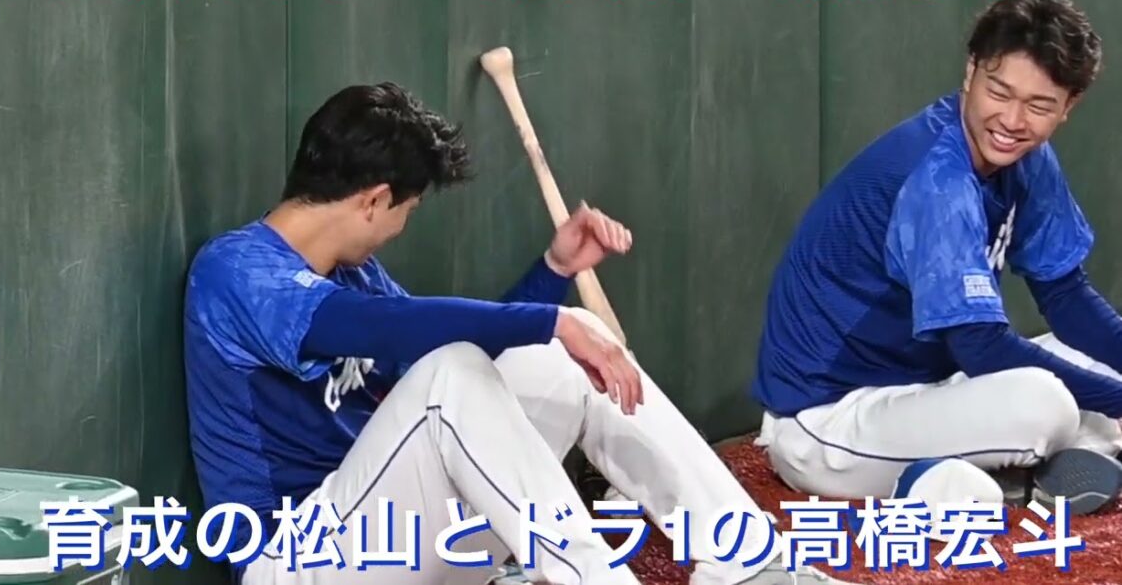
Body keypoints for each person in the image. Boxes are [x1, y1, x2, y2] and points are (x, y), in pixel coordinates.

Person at [184, 82, 851, 585]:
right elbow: (383, 334)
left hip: (389, 537)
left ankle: (747, 563)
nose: (401, 227)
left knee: (555, 359)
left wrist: (553, 275)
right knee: (455, 371)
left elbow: (471, 371)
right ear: (374, 199)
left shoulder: (354, 272)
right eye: (406, 209)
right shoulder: (235, 270)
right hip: (296, 559)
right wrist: (550, 319)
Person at [751, 0, 1122, 517]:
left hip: (925, 387)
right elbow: (980, 348)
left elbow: (1065, 294)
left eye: (1039, 106)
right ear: (971, 71)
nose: (1012, 120)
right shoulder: (937, 176)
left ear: (1068, 106)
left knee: (1083, 362)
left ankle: (1006, 469)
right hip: (829, 420)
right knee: (1050, 403)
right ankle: (956, 480)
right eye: (999, 91)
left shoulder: (1025, 158)